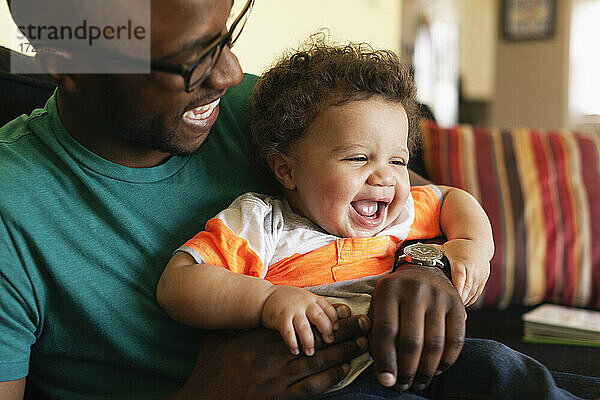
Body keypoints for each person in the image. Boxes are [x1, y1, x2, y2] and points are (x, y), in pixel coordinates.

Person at [0, 0, 598, 399]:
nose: (230, 73)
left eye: (228, 35)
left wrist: (430, 266)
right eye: (190, 60)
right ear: (68, 65)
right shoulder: (14, 210)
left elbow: (408, 196)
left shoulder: (257, 113)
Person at [156, 40, 494, 392]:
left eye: (398, 161)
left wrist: (469, 244)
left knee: (498, 364)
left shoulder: (402, 213)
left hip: (426, 358)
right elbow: (178, 283)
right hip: (338, 385)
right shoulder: (263, 223)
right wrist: (267, 300)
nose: (385, 178)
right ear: (287, 171)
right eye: (358, 158)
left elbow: (453, 197)